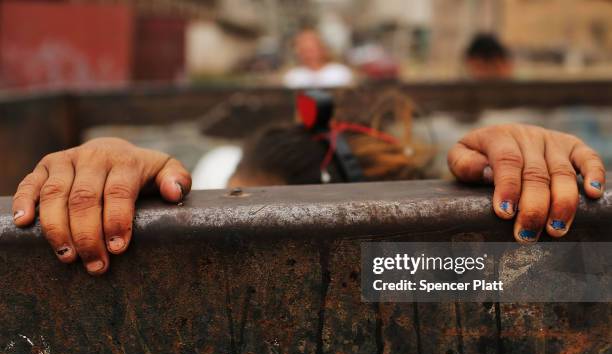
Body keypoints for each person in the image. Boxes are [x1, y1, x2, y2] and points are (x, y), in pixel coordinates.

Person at [11, 124, 605, 275]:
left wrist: (531, 158)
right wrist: (102, 164)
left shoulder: (397, 269)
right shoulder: (202, 175)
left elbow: (578, 278)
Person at [283, 29, 353, 89]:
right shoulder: (293, 76)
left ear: (322, 49)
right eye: (304, 50)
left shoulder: (340, 72)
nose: (309, 55)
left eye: (312, 50)